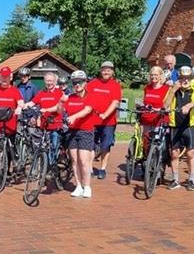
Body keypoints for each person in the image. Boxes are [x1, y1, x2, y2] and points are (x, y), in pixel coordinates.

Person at [63, 70, 102, 198]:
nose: (77, 85)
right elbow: (61, 110)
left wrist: (74, 117)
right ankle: (78, 185)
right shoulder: (70, 97)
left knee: (83, 161)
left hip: (85, 131)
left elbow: (87, 110)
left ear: (85, 83)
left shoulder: (91, 96)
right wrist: (59, 102)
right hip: (72, 131)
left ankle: (87, 186)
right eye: (74, 83)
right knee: (74, 160)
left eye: (79, 82)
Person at [163, 66, 194, 191]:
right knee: (174, 153)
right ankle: (175, 179)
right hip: (175, 124)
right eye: (182, 78)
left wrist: (189, 105)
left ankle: (191, 179)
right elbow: (165, 104)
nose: (185, 81)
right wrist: (173, 90)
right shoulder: (173, 89)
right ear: (178, 78)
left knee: (190, 153)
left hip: (189, 124)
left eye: (188, 78)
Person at [87, 61, 122, 180]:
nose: (106, 72)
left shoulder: (115, 85)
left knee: (105, 146)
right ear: (100, 71)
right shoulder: (92, 84)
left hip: (108, 122)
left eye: (109, 70)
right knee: (90, 145)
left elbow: (115, 102)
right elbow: (86, 98)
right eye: (104, 70)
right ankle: (90, 168)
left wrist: (105, 114)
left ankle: (102, 169)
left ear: (112, 72)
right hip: (92, 120)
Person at [24, 72, 64, 165]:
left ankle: (52, 166)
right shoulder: (41, 93)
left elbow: (58, 107)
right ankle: (44, 167)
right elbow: (32, 103)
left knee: (54, 146)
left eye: (50, 81)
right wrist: (23, 106)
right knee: (42, 147)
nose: (49, 83)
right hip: (43, 125)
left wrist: (46, 109)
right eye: (47, 81)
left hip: (55, 124)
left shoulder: (59, 93)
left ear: (54, 81)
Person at [140, 67, 170, 152]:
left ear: (161, 76)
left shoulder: (166, 89)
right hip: (147, 118)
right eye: (152, 75)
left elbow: (167, 105)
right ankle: (146, 159)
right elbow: (144, 101)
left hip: (159, 118)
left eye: (156, 75)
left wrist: (160, 109)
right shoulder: (147, 88)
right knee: (146, 140)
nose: (153, 77)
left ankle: (157, 161)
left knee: (156, 142)